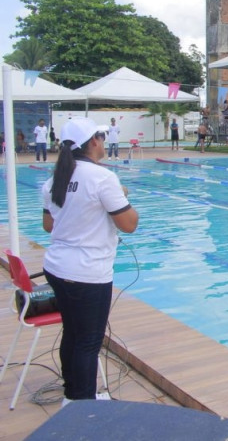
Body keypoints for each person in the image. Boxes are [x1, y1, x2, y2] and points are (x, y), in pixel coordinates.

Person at [41, 117, 139, 404]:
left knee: (72, 333)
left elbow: (49, 225)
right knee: (88, 341)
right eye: (102, 136)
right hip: (87, 273)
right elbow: (129, 224)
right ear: (93, 141)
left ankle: (72, 392)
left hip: (57, 268)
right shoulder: (102, 178)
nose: (105, 142)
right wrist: (121, 197)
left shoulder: (53, 181)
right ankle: (81, 406)